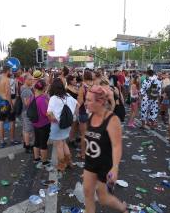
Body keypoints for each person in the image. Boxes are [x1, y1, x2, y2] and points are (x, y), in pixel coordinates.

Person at [83, 85, 127, 213]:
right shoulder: (90, 116)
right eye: (86, 99)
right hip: (90, 163)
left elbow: (117, 145)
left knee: (102, 198)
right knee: (87, 193)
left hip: (104, 165)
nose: (86, 103)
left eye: (89, 100)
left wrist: (115, 167)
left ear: (100, 101)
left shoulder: (112, 120)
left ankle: (122, 207)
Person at [47, 78, 77, 172]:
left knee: (59, 145)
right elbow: (78, 105)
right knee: (63, 142)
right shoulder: (68, 96)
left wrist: (55, 120)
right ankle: (69, 162)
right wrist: (73, 116)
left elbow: (49, 113)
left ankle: (61, 165)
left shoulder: (53, 98)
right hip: (67, 124)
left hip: (57, 125)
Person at [0, 66, 20, 148]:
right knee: (12, 121)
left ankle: (2, 141)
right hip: (6, 103)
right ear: (7, 71)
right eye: (10, 70)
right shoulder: (7, 80)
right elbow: (8, 94)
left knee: (1, 121)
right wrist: (12, 105)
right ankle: (12, 140)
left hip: (0, 102)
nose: (11, 72)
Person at [32, 79, 51, 165]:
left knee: (36, 141)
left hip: (35, 123)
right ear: (43, 88)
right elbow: (45, 113)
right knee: (43, 143)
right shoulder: (43, 99)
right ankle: (44, 161)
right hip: (44, 124)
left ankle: (36, 158)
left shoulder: (33, 96)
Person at [77, 70, 94, 159]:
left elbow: (80, 101)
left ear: (84, 76)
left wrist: (75, 110)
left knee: (83, 134)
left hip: (83, 112)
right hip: (93, 112)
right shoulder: (93, 86)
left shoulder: (82, 87)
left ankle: (83, 154)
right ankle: (91, 151)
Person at [20, 74, 34, 153]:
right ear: (25, 80)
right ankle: (27, 147)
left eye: (32, 79)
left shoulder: (23, 87)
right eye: (30, 79)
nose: (32, 81)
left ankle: (26, 144)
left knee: (25, 129)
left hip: (25, 112)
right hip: (27, 112)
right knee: (28, 130)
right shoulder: (26, 90)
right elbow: (26, 103)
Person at [66, 75, 79, 148]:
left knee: (76, 125)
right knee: (73, 126)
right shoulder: (67, 89)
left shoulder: (74, 87)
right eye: (74, 80)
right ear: (70, 81)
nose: (76, 81)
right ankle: (71, 140)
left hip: (76, 108)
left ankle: (73, 137)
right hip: (72, 109)